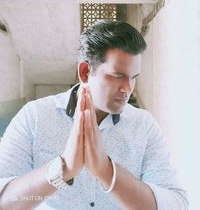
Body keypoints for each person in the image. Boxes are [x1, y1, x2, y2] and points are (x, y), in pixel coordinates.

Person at [0, 20, 188, 210]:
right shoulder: (34, 117)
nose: (128, 89)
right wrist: (62, 169)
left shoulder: (144, 125)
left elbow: (176, 204)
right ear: (85, 71)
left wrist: (108, 172)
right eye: (117, 76)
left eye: (133, 77)